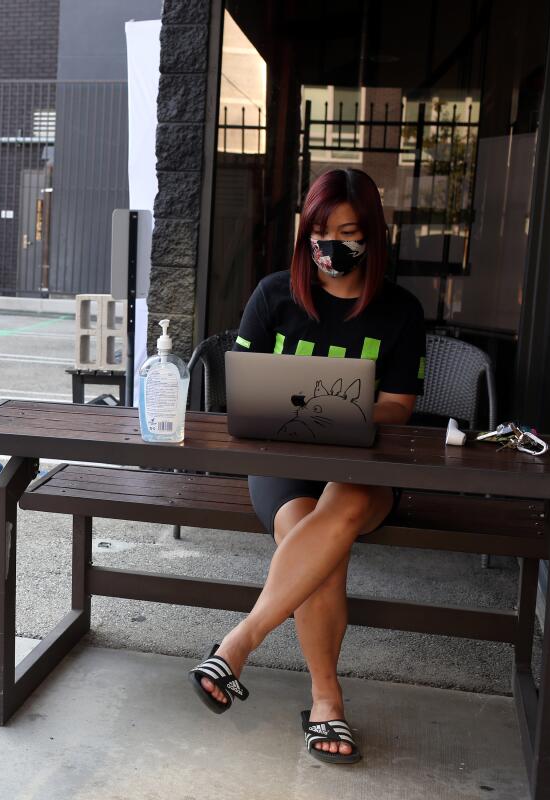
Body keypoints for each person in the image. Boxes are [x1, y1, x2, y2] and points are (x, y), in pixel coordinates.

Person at [187, 168, 425, 766]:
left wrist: (339, 407)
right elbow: (239, 387)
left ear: (371, 234)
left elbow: (399, 405)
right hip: (283, 463)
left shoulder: (400, 310)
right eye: (319, 231)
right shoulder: (274, 295)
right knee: (312, 541)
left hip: (363, 470)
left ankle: (240, 641)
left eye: (346, 231)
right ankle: (326, 702)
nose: (329, 245)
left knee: (336, 513)